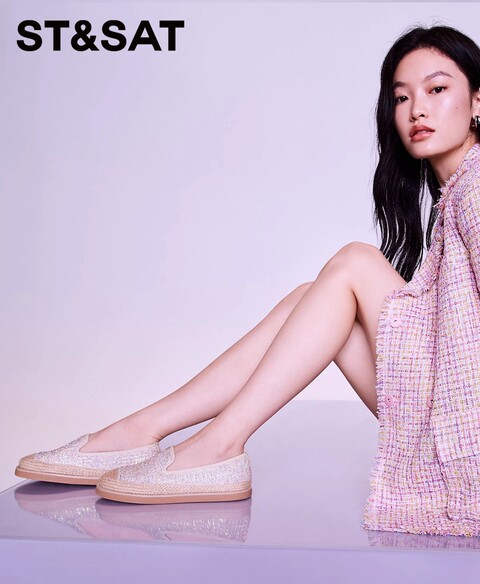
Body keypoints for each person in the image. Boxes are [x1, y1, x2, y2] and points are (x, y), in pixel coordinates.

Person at [15, 24, 480, 536]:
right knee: (314, 301)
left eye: (437, 89)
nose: (416, 110)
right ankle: (145, 431)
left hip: (468, 435)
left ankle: (214, 444)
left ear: (477, 100)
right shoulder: (457, 191)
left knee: (354, 263)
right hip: (451, 417)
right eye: (402, 97)